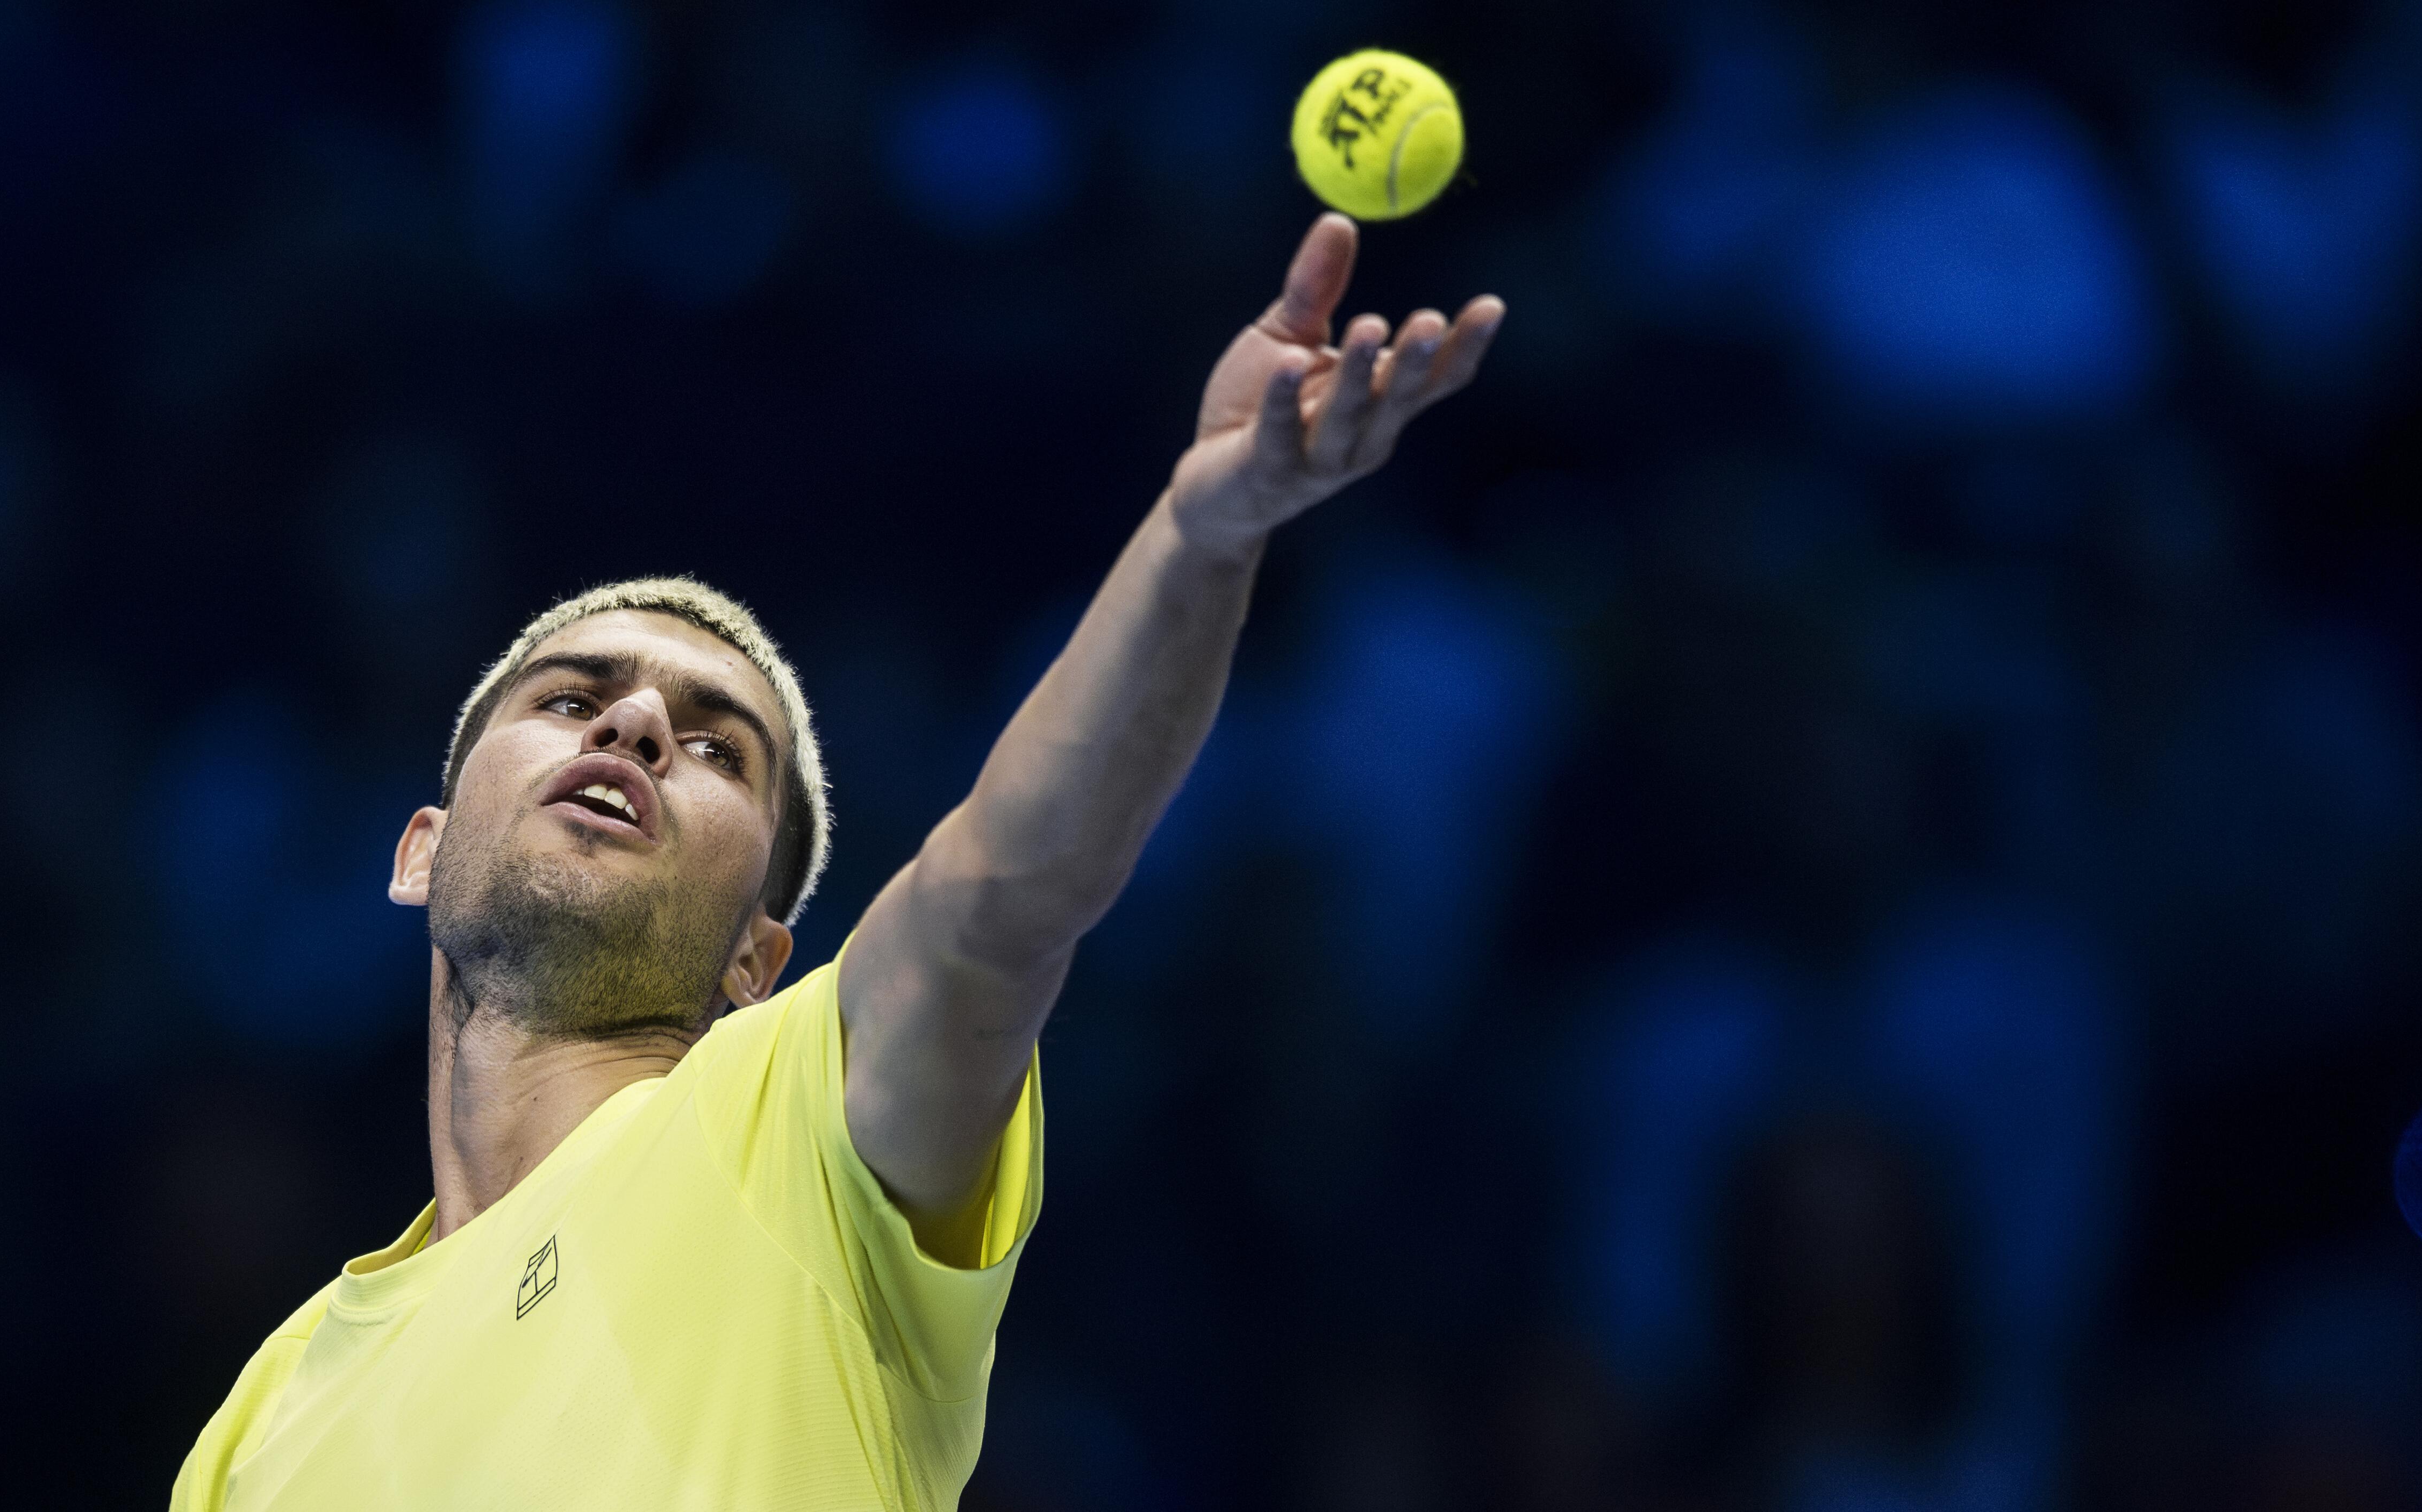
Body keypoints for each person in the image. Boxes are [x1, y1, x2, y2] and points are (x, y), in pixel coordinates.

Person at [169, 213, 1503, 1511]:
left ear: (759, 958)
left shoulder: (793, 1123)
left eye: (715, 748)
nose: (635, 724)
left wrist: (1199, 538)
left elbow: (1005, 895)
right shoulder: (262, 1419)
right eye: (572, 699)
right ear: (424, 852)